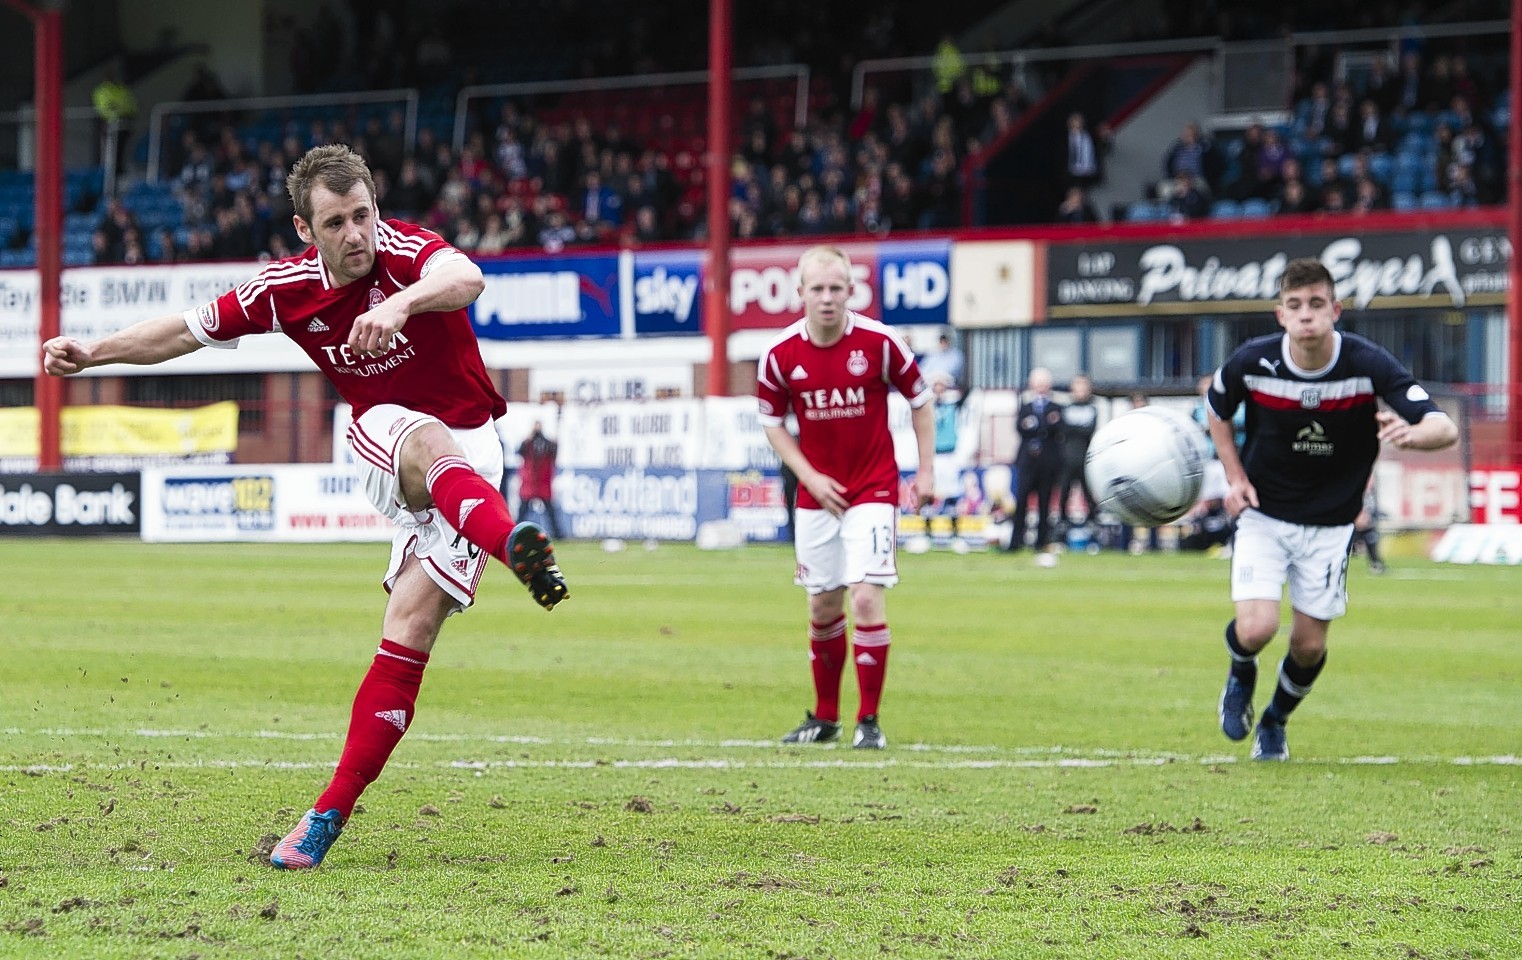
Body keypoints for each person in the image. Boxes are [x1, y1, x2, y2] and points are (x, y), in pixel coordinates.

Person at [41, 144, 570, 868]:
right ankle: (513, 544)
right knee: (397, 428)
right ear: (304, 229)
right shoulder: (282, 290)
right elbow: (182, 331)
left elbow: (466, 275)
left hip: (475, 456)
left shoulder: (406, 252)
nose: (357, 234)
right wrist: (93, 352)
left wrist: (402, 301)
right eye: (336, 222)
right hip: (400, 442)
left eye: (364, 215)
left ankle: (325, 817)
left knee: (409, 627)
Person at [1206, 257, 1457, 761]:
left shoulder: (1367, 364)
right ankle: (1240, 671)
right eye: (1295, 305)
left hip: (1331, 523)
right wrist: (1234, 476)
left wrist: (1412, 435)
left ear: (1335, 310)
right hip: (1264, 514)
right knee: (1256, 629)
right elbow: (1217, 409)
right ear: (1280, 314)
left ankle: (1274, 721)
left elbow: (1443, 427)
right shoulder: (1253, 361)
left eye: (1316, 304)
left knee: (1308, 647)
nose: (1305, 315)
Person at [756, 245, 935, 751]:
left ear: (851, 292)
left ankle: (869, 720)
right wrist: (809, 477)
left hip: (873, 487)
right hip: (818, 496)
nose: (828, 298)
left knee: (864, 596)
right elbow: (771, 423)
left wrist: (926, 471)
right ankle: (826, 717)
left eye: (837, 288)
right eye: (818, 289)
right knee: (822, 605)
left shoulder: (881, 343)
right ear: (801, 294)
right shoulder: (781, 354)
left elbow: (921, 402)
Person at [1006, 367, 1065, 564]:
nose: (1040, 386)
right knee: (1021, 501)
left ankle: (1041, 542)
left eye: (1043, 382)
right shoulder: (1025, 405)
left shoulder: (1056, 406)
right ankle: (1015, 542)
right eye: (1037, 382)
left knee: (1044, 503)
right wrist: (1041, 426)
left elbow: (1056, 428)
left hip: (1048, 463)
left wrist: (1036, 426)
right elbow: (1021, 428)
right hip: (1027, 462)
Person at [1056, 373, 1097, 530]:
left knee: (1088, 494)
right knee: (1064, 493)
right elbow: (1063, 430)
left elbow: (1088, 430)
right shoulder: (1066, 408)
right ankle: (1062, 524)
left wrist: (1072, 427)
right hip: (1067, 459)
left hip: (1085, 460)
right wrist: (1077, 427)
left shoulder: (1092, 408)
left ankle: (1093, 524)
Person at [516, 420, 563, 539]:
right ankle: (516, 531)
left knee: (548, 511)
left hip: (540, 482)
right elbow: (519, 450)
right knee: (524, 511)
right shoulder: (529, 443)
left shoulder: (545, 444)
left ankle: (558, 534)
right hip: (532, 482)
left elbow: (554, 451)